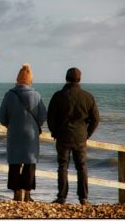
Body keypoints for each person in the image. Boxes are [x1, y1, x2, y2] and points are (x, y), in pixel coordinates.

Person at [47, 67, 100, 205]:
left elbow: (50, 117)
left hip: (63, 136)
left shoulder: (58, 96)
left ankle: (62, 197)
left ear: (66, 78)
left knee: (63, 165)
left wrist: (55, 132)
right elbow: (96, 119)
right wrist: (87, 134)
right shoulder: (88, 97)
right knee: (82, 166)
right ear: (79, 79)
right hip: (80, 137)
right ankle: (83, 198)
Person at [0, 63, 47, 202]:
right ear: (30, 80)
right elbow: (43, 115)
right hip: (31, 135)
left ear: (17, 79)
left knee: (14, 163)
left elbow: (1, 116)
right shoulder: (36, 95)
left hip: (14, 134)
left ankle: (16, 193)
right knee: (29, 163)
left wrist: (10, 125)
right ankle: (27, 194)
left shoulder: (10, 95)